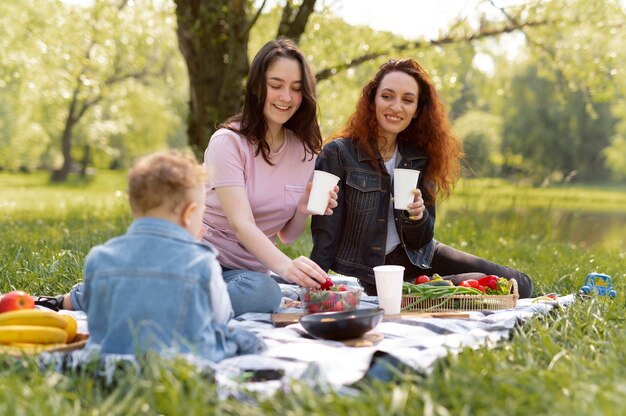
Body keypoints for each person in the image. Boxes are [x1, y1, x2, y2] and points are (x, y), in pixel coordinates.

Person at [310, 59, 533, 298]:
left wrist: (417, 216)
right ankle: (430, 288)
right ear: (372, 100)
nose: (396, 107)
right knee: (477, 285)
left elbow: (422, 238)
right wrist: (317, 285)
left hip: (421, 255)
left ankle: (429, 287)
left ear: (416, 110)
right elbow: (325, 231)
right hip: (377, 272)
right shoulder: (338, 153)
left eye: (407, 100)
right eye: (387, 96)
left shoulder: (419, 157)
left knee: (520, 283)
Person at [58, 151, 263, 359]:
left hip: (112, 358)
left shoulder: (99, 257)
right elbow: (220, 316)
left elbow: (96, 318)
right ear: (188, 214)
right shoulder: (201, 262)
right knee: (235, 337)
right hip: (184, 360)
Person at [201, 38, 337, 316]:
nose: (286, 97)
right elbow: (242, 224)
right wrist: (287, 268)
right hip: (201, 259)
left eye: (296, 89)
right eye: (276, 85)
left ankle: (175, 304)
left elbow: (287, 235)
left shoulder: (306, 152)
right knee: (262, 289)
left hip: (247, 274)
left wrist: (303, 209)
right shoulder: (227, 143)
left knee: (264, 292)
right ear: (257, 87)